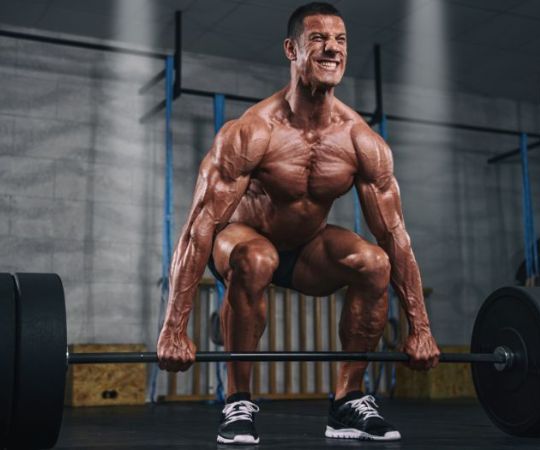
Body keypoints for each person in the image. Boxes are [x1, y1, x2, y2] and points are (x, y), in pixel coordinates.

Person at [157, 2, 440, 444]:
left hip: (305, 252)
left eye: (341, 40)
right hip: (240, 242)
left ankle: (348, 400)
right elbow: (200, 226)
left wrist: (420, 328)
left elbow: (395, 235)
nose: (332, 49)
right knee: (257, 257)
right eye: (319, 39)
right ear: (292, 49)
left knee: (375, 262)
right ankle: (238, 401)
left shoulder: (361, 142)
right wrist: (174, 328)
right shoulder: (252, 132)